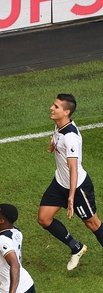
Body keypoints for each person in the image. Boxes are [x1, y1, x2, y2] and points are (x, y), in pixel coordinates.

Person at [37, 94, 103, 271]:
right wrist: (53, 144)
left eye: (56, 107)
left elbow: (73, 168)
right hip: (60, 183)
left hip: (78, 187)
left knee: (93, 224)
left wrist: (71, 197)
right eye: (53, 105)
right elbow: (58, 140)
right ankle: (76, 247)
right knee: (44, 219)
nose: (52, 108)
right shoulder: (59, 126)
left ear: (66, 112)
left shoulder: (70, 137)